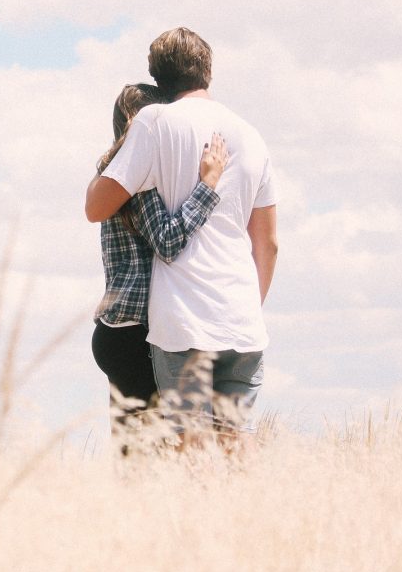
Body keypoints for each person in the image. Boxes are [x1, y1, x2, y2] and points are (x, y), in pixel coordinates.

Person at [85, 28, 279, 450]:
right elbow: (268, 244)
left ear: (159, 75)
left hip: (177, 321)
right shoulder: (251, 134)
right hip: (239, 317)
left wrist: (205, 186)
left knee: (172, 452)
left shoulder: (154, 128)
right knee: (236, 445)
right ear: (208, 68)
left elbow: (100, 209)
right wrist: (248, 303)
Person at [90, 83, 228, 442]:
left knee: (132, 457)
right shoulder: (140, 178)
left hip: (115, 328)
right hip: (139, 333)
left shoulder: (111, 173)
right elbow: (167, 241)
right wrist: (207, 187)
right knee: (158, 457)